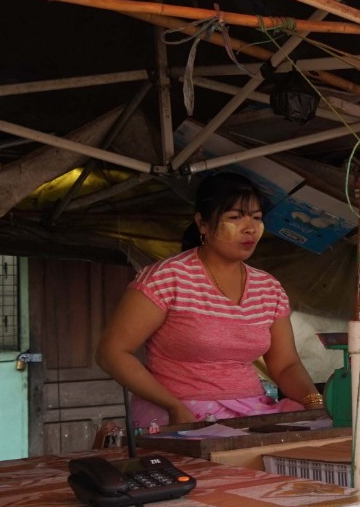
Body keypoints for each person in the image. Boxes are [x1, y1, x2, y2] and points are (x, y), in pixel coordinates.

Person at [97, 172, 323, 432]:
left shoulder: (268, 288)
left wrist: (313, 401)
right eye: (235, 217)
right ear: (202, 224)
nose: (249, 228)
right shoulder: (167, 277)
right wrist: (174, 407)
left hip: (252, 413)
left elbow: (285, 364)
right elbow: (111, 353)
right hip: (178, 413)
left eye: (257, 218)